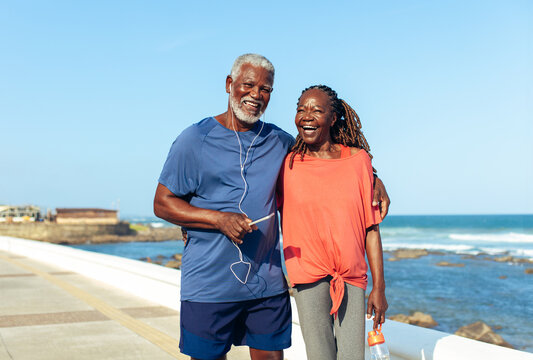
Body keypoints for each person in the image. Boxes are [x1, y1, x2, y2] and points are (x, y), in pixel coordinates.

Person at [154, 54, 390, 360]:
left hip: (266, 286)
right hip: (208, 286)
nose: (255, 94)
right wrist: (215, 219)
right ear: (230, 84)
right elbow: (163, 203)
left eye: (265, 89)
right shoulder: (195, 139)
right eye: (248, 85)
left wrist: (372, 176)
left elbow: (331, 160)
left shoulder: (279, 142)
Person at [279, 85, 388, 360]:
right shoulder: (288, 165)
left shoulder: (358, 161)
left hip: (351, 279)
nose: (307, 116)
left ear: (333, 117)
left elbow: (371, 229)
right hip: (308, 279)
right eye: (301, 109)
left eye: (316, 110)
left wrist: (379, 287)